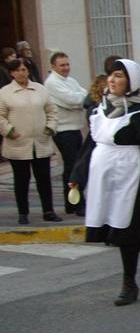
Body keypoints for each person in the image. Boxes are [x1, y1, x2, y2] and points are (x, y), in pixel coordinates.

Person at [69, 59, 140, 305]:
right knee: (121, 228)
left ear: (131, 82)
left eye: (119, 76)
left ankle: (129, 284)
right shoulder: (100, 110)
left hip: (131, 178)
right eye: (111, 75)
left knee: (127, 229)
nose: (112, 80)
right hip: (104, 178)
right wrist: (77, 176)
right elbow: (90, 145)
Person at [0, 58, 60, 224]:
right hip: (18, 144)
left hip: (40, 142)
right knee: (22, 180)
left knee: (44, 179)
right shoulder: (5, 92)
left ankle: (48, 211)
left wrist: (50, 127)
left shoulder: (40, 89)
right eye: (17, 70)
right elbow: (0, 116)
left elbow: (52, 110)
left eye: (24, 70)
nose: (21, 73)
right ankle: (23, 212)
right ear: (11, 73)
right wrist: (9, 131)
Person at [44, 52, 89, 215]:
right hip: (63, 131)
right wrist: (78, 101)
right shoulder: (51, 83)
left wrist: (78, 101)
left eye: (67, 64)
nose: (66, 68)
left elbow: (85, 97)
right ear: (53, 66)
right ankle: (78, 203)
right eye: (62, 65)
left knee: (74, 166)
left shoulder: (71, 81)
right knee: (73, 167)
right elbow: (73, 100)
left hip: (75, 128)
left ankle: (70, 203)